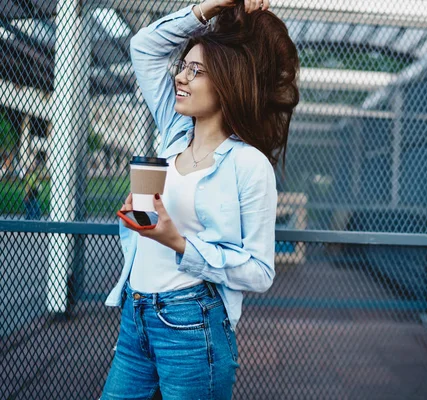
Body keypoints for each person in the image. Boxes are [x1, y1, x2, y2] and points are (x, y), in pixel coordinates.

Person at [101, 0, 299, 398]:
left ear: (226, 83)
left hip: (192, 322)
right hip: (135, 313)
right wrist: (212, 6)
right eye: (183, 66)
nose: (180, 77)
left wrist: (177, 242)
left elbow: (260, 271)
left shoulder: (249, 165)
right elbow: (143, 46)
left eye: (196, 71)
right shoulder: (174, 132)